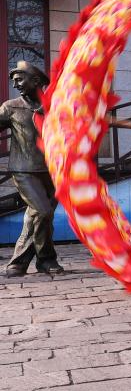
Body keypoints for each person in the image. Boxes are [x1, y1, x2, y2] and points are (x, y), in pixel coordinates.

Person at [2, 61, 63, 277]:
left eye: (20, 79)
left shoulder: (55, 106)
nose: (15, 84)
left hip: (53, 170)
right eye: (14, 80)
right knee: (43, 211)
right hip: (24, 169)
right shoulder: (10, 107)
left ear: (35, 80)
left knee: (38, 216)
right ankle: (45, 258)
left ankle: (25, 263)